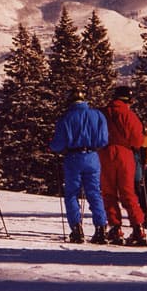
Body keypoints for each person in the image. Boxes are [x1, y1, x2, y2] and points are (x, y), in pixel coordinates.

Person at [49, 89, 109, 244]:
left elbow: (58, 144)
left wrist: (53, 146)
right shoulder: (97, 115)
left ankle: (77, 230)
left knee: (72, 194)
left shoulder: (66, 117)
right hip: (92, 156)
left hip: (73, 157)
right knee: (94, 192)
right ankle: (101, 228)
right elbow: (103, 140)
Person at [99, 86, 147, 245]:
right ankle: (138, 227)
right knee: (128, 192)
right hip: (125, 154)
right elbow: (138, 141)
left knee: (108, 192)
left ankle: (115, 227)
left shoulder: (103, 113)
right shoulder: (129, 115)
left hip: (105, 153)